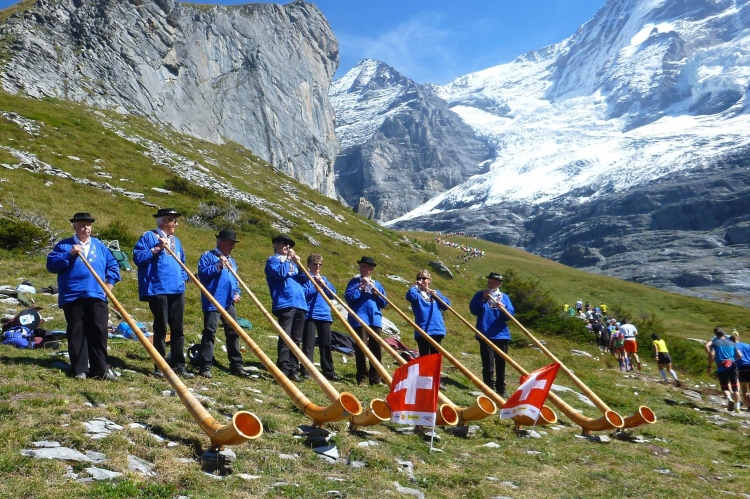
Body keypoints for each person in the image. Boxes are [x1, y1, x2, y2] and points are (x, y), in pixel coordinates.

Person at [46, 212, 121, 381]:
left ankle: (100, 369)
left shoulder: (99, 246)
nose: (85, 228)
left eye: (88, 225)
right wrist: (69, 254)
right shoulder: (64, 245)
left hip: (97, 294)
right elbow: (51, 265)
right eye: (81, 225)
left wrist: (109, 284)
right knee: (77, 331)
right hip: (73, 295)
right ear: (74, 226)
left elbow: (113, 265)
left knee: (99, 331)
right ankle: (80, 370)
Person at [132, 208, 193, 379]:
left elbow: (182, 262)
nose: (176, 224)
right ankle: (160, 366)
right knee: (160, 329)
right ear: (164, 221)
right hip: (158, 288)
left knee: (178, 329)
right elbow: (138, 258)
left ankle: (179, 365)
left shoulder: (176, 241)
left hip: (177, 289)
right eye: (173, 220)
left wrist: (182, 279)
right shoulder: (149, 237)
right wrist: (157, 248)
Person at [196, 230, 250, 379]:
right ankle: (205, 365)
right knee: (210, 332)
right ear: (222, 242)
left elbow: (234, 280)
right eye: (231, 243)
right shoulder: (208, 256)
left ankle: (236, 365)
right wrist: (219, 264)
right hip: (213, 300)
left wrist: (236, 292)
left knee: (233, 331)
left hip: (228, 302)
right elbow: (203, 274)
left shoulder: (231, 260)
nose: (233, 246)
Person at [265, 234, 308, 382]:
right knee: (285, 337)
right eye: (284, 243)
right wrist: (288, 260)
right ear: (276, 244)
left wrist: (299, 266)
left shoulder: (293, 264)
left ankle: (293, 369)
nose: (287, 246)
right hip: (285, 302)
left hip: (300, 303)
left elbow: (304, 280)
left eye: (289, 244)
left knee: (296, 339)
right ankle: (283, 369)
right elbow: (280, 274)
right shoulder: (273, 260)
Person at [469, 272, 515, 397]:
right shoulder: (480, 295)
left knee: (501, 363)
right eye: (489, 281)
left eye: (493, 281)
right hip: (485, 334)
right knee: (488, 363)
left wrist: (503, 308)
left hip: (502, 335)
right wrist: (483, 299)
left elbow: (510, 315)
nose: (490, 283)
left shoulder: (504, 297)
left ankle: (501, 388)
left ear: (499, 283)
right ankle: (488, 387)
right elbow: (474, 310)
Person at [345, 256, 387, 386]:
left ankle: (376, 377)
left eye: (366, 266)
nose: (363, 268)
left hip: (375, 319)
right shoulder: (354, 282)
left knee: (376, 348)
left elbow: (384, 303)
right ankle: (362, 377)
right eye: (362, 266)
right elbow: (349, 298)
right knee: (361, 348)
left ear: (371, 269)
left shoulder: (377, 284)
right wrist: (360, 287)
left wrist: (375, 293)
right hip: (359, 318)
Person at [301, 253, 339, 381]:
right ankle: (306, 370)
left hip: (324, 315)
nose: (317, 266)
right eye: (315, 264)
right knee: (308, 344)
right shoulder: (306, 278)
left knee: (326, 344)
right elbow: (303, 294)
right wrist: (316, 287)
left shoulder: (324, 279)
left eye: (320, 264)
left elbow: (332, 294)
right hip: (310, 315)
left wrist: (324, 285)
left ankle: (328, 370)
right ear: (309, 265)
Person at [405, 270, 450, 357]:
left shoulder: (435, 293)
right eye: (419, 278)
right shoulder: (417, 293)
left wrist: (437, 296)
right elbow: (410, 297)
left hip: (436, 329)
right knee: (424, 357)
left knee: (435, 357)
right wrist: (415, 286)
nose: (421, 280)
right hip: (422, 329)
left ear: (429, 280)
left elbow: (446, 306)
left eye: (423, 278)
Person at [708, 328, 742, 412]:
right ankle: (737, 408)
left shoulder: (715, 343)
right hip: (732, 367)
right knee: (735, 388)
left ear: (716, 335)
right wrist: (733, 360)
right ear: (725, 335)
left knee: (725, 387)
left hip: (721, 367)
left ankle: (730, 399)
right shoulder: (732, 343)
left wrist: (709, 365)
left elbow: (712, 354)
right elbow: (740, 355)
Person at [730, 334, 750, 411]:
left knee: (744, 390)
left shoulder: (732, 346)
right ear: (738, 338)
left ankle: (749, 406)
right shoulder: (747, 345)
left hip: (741, 368)